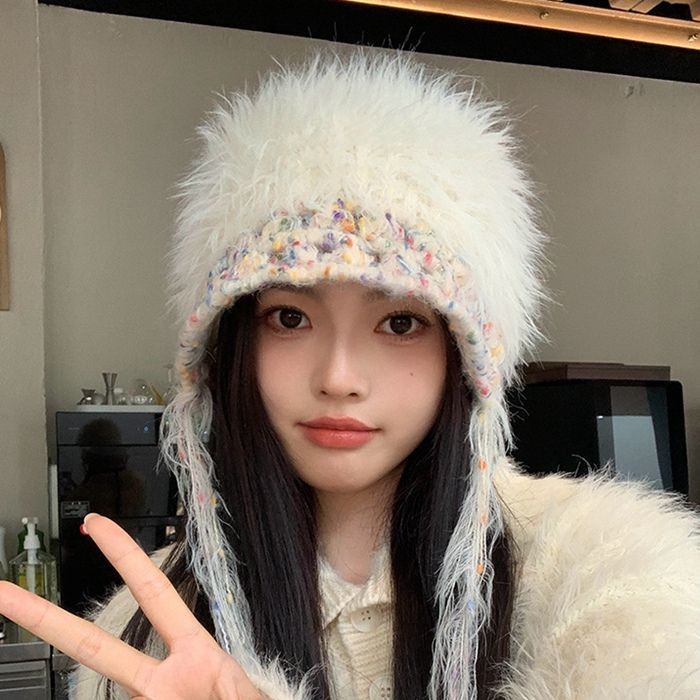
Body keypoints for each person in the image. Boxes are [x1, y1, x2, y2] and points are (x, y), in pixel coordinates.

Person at [1, 50, 699, 700]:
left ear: (466, 358)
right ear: (228, 346)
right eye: (289, 317)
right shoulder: (149, 633)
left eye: (399, 322)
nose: (338, 378)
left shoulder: (610, 578)